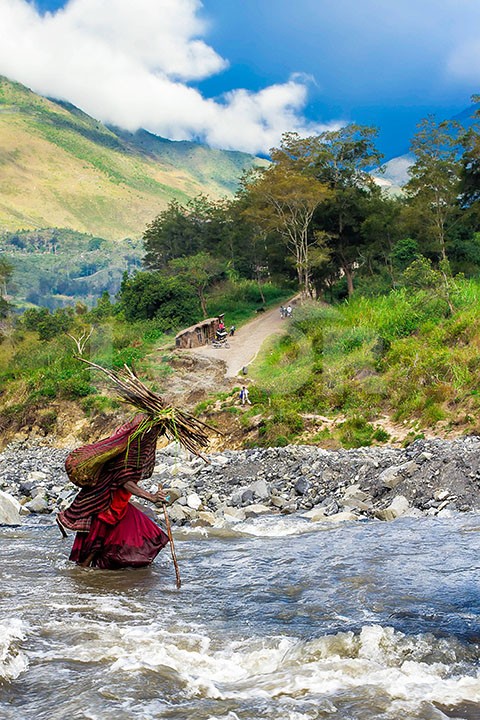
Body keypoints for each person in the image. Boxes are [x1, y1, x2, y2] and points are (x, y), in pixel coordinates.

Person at [57, 416, 169, 569]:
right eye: (155, 432)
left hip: (118, 505)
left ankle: (93, 576)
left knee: (146, 534)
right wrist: (151, 497)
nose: (155, 437)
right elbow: (124, 480)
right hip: (106, 504)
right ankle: (81, 579)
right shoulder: (130, 449)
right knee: (94, 545)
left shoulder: (132, 448)